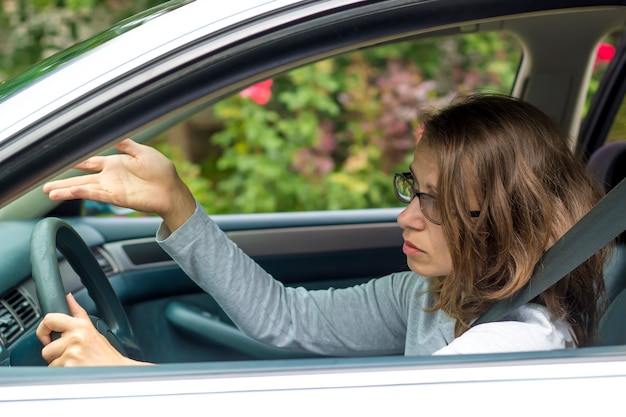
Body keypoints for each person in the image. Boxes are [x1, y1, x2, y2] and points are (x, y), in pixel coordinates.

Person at [36, 94, 608, 367]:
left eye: (436, 203)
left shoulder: (511, 351)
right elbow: (285, 317)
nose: (406, 215)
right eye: (414, 187)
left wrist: (130, 381)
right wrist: (176, 203)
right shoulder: (434, 296)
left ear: (503, 221)